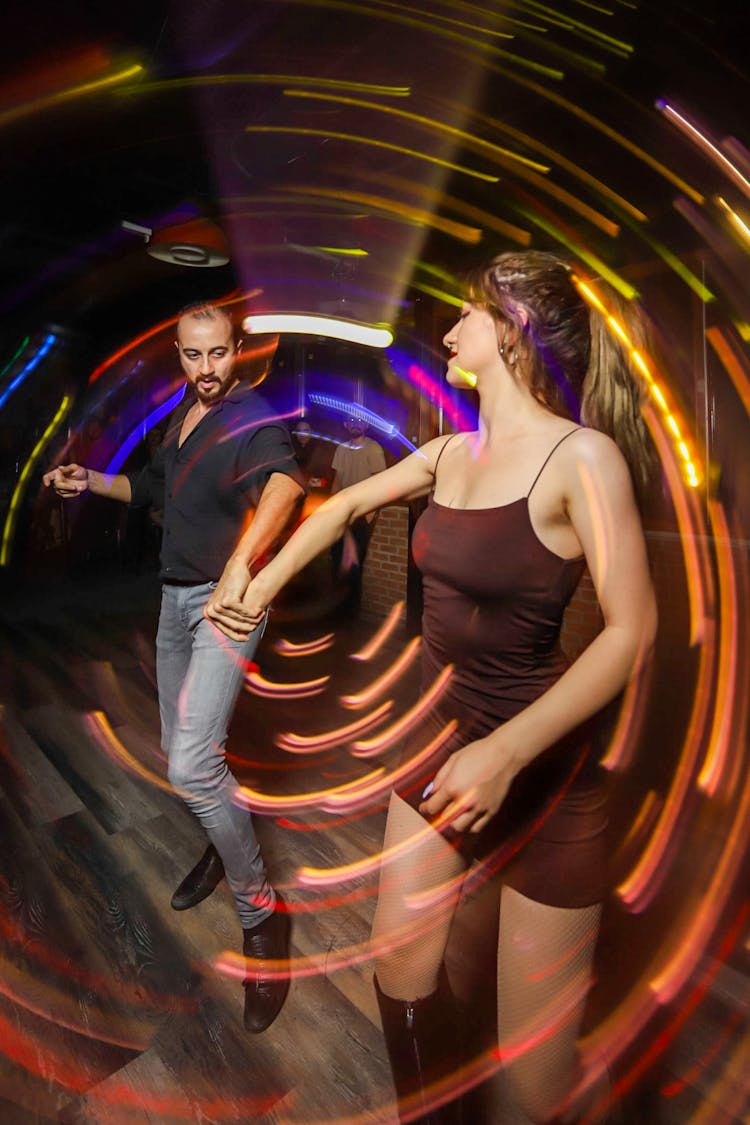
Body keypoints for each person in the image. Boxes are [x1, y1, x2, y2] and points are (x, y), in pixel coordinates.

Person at [205, 251, 657, 1122]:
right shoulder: (450, 452)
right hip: (446, 734)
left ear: (515, 332)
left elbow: (632, 631)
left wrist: (508, 751)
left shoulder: (583, 459)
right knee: (399, 968)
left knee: (534, 1086)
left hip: (544, 767)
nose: (448, 330)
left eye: (468, 315)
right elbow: (336, 506)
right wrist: (253, 583)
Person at [43, 302, 305, 1034]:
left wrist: (239, 569)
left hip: (226, 605)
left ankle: (262, 916)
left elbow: (285, 489)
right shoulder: (182, 418)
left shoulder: (253, 414)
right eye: (193, 357)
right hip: (172, 603)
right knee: (181, 753)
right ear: (180, 358)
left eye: (219, 354)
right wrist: (89, 481)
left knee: (193, 764)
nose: (207, 370)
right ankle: (221, 846)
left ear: (239, 350)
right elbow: (151, 489)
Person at [329, 416, 386, 610]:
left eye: (359, 420)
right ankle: (338, 610)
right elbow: (337, 481)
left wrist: (369, 515)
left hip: (362, 514)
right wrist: (331, 508)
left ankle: (351, 613)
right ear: (345, 424)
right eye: (351, 420)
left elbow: (379, 482)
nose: (355, 423)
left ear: (366, 424)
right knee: (336, 558)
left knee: (354, 564)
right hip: (342, 515)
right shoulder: (341, 449)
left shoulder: (373, 448)